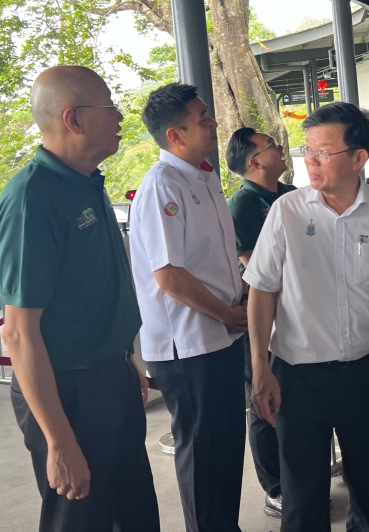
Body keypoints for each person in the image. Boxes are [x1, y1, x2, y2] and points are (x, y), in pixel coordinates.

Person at [245, 102, 369, 532]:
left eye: (322, 152)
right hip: (297, 377)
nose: (310, 161)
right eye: (307, 150)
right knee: (303, 496)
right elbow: (262, 290)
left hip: (366, 372)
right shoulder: (287, 212)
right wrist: (259, 369)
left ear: (358, 157)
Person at [0, 66, 158, 532]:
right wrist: (59, 441)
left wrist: (127, 365)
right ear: (74, 119)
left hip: (111, 378)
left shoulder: (88, 181)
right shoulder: (33, 198)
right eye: (110, 107)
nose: (121, 116)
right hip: (67, 390)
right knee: (79, 517)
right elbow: (19, 333)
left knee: (134, 513)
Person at [129, 83, 247, 532]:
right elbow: (169, 275)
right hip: (189, 344)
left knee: (225, 446)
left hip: (220, 333)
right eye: (203, 118)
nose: (214, 122)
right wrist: (226, 312)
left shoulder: (204, 176)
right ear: (175, 135)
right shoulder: (163, 184)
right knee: (201, 452)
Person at [224, 127, 293, 518]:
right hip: (264, 317)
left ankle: (297, 477)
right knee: (265, 402)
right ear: (254, 162)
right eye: (272, 147)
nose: (281, 150)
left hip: (296, 317)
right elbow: (253, 265)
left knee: (293, 400)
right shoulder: (244, 205)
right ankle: (275, 488)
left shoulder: (288, 195)